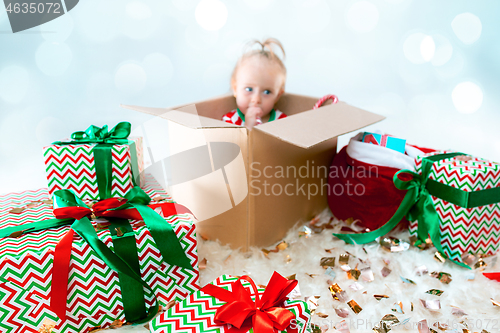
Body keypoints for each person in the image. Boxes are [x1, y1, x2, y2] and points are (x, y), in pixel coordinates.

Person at [222, 38, 287, 130]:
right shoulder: (230, 121)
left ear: (277, 96)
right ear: (235, 89)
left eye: (267, 92)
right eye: (249, 89)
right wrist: (248, 127)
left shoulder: (282, 121)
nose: (256, 99)